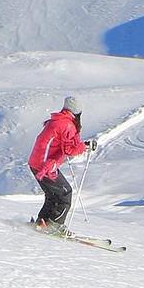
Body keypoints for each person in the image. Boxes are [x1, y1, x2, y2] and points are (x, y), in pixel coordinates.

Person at [28, 96, 93, 232]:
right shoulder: (67, 125)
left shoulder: (58, 120)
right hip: (45, 166)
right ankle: (55, 226)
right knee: (65, 194)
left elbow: (63, 144)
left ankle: (43, 223)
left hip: (37, 162)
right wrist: (84, 147)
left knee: (53, 195)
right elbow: (69, 149)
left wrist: (82, 145)